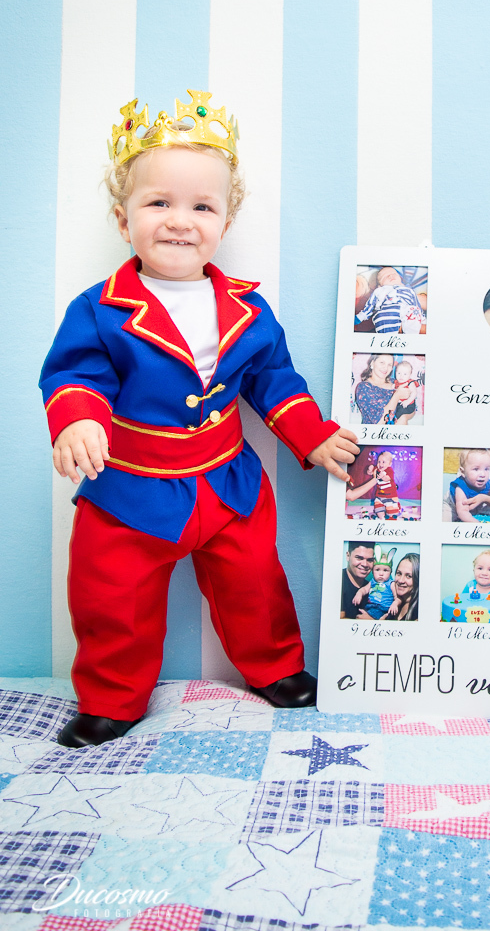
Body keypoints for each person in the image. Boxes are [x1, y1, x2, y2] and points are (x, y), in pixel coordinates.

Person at [40, 93, 360, 748]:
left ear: (225, 221)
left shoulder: (247, 308)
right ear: (122, 217)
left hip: (225, 483)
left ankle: (276, 669)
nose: (180, 222)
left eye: (202, 207)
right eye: (159, 203)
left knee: (256, 585)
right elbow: (75, 375)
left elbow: (274, 380)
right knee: (112, 599)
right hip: (127, 488)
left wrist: (313, 436)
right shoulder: (99, 308)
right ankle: (111, 699)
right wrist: (77, 421)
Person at [355, 267, 424, 334]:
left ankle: (411, 334)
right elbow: (370, 306)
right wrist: (360, 317)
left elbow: (417, 305)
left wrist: (423, 319)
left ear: (400, 278)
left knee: (414, 311)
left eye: (394, 274)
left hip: (406, 313)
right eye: (385, 276)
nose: (391, 276)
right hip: (386, 314)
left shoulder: (409, 291)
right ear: (380, 285)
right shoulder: (379, 291)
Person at [356, 551, 420, 622]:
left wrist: (373, 621)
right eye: (399, 573)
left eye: (408, 576)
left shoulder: (419, 612)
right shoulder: (396, 603)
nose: (401, 580)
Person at [449, 448, 490, 523]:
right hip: (451, 507)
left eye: (486, 469)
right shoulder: (461, 488)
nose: (483, 474)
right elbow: (462, 512)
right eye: (476, 469)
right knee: (447, 520)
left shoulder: (487, 483)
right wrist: (477, 524)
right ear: (462, 472)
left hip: (472, 511)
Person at [347, 450, 402, 519]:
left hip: (390, 496)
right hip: (379, 496)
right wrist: (370, 470)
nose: (380, 464)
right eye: (379, 461)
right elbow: (369, 473)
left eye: (383, 462)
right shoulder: (377, 468)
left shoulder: (389, 470)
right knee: (378, 510)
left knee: (392, 513)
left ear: (389, 464)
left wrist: (383, 476)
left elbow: (387, 478)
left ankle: (396, 509)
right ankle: (382, 518)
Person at [353, 354, 405, 425]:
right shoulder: (364, 387)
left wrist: (404, 417)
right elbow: (379, 421)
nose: (386, 368)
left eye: (389, 365)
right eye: (382, 363)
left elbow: (411, 409)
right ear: (372, 363)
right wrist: (397, 396)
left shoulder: (395, 382)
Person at [351, 546, 398, 618]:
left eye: (385, 570)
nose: (381, 573)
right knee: (357, 613)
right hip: (370, 606)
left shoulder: (391, 584)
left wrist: (395, 604)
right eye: (377, 570)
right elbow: (364, 589)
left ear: (390, 572)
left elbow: (397, 597)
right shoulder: (372, 582)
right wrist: (359, 593)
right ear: (372, 571)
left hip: (384, 608)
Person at [341, 542, 376, 618]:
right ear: (348, 556)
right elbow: (335, 620)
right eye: (359, 558)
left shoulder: (373, 587)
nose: (365, 564)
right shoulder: (338, 581)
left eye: (370, 560)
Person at [392, 358, 420, 425]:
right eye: (399, 373)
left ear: (410, 375)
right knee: (394, 410)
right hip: (399, 404)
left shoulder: (410, 383)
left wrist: (407, 401)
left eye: (405, 374)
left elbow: (414, 393)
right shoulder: (396, 383)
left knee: (400, 412)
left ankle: (393, 421)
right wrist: (392, 387)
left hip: (408, 405)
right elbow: (392, 390)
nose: (401, 376)